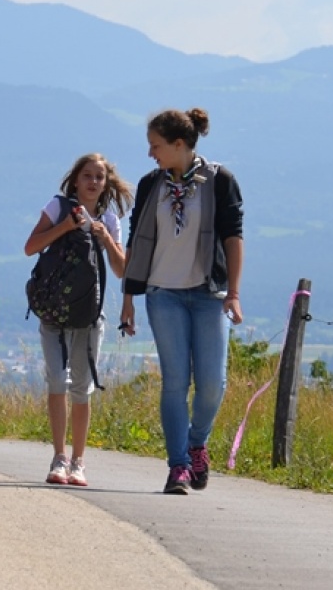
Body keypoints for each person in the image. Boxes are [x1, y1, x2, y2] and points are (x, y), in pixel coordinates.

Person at [119, 108, 244, 494]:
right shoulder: (150, 184)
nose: (151, 154)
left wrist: (234, 293)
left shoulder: (219, 180)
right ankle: (178, 467)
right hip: (163, 294)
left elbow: (233, 238)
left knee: (212, 384)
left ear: (178, 145)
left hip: (209, 295)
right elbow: (136, 243)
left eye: (156, 146)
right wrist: (128, 299)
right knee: (176, 381)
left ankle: (196, 443)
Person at [22, 153, 133, 487]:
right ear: (75, 179)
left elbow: (121, 269)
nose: (93, 183)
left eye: (99, 177)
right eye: (87, 176)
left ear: (106, 183)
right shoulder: (58, 208)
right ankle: (59, 457)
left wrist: (106, 239)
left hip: (88, 313)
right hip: (54, 309)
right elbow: (31, 247)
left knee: (82, 387)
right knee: (57, 380)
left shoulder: (111, 219)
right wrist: (65, 227)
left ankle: (78, 461)